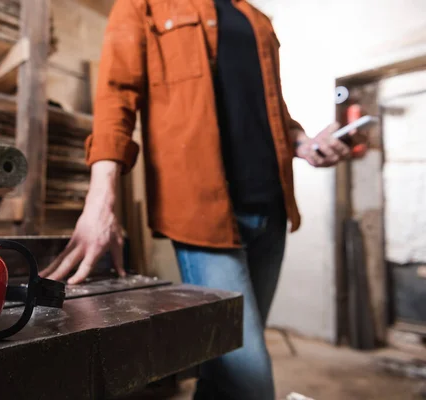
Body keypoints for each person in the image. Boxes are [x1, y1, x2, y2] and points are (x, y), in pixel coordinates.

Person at [41, 0, 367, 398]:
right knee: (249, 381)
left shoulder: (256, 17)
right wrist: (100, 200)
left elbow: (272, 110)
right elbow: (115, 97)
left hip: (272, 208)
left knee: (223, 368)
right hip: (201, 214)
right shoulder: (143, 5)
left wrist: (305, 142)